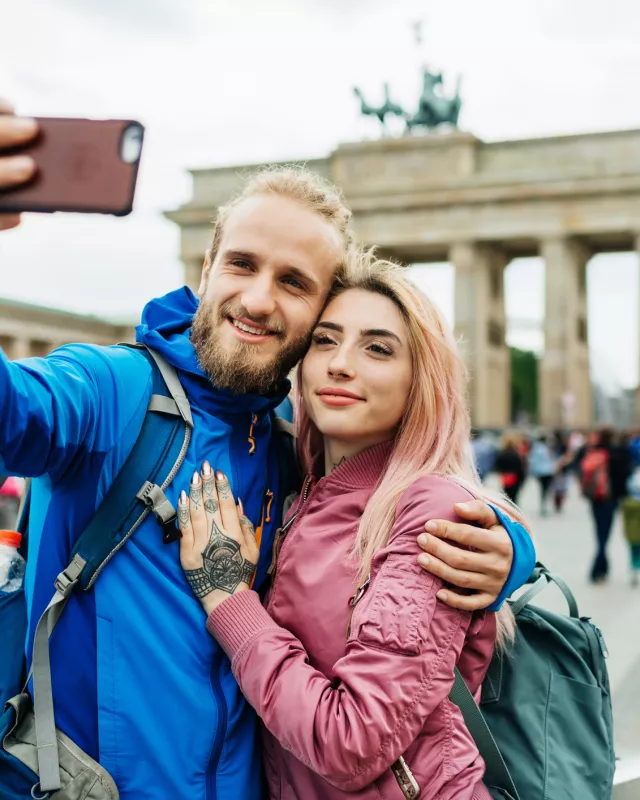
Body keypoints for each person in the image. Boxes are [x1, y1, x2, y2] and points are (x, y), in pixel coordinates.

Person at [0, 102, 534, 799]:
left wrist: (506, 551)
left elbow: (396, 502)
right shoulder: (112, 391)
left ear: (319, 312)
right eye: (242, 264)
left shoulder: (288, 451)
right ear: (206, 267)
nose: (257, 300)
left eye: (293, 282)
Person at [177, 253, 527, 800]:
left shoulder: (433, 512)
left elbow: (351, 742)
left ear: (422, 380)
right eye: (324, 341)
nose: (340, 364)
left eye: (378, 349)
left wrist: (229, 600)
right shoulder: (301, 482)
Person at [576, 427, 631, 583]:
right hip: (610, 498)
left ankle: (602, 566)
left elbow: (580, 468)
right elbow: (624, 475)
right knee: (605, 534)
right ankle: (598, 568)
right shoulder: (618, 452)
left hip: (595, 497)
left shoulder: (592, 451)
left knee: (599, 531)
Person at [495, 430, 526, 504]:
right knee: (514, 498)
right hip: (515, 478)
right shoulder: (516, 454)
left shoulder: (501, 454)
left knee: (507, 497)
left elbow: (497, 466)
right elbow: (520, 468)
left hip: (505, 478)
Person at [528, 433, 556, 515]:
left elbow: (533, 461)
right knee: (546, 489)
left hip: (540, 472)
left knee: (542, 489)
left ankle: (543, 504)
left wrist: (533, 472)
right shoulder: (546, 448)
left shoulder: (536, 448)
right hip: (548, 471)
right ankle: (544, 504)